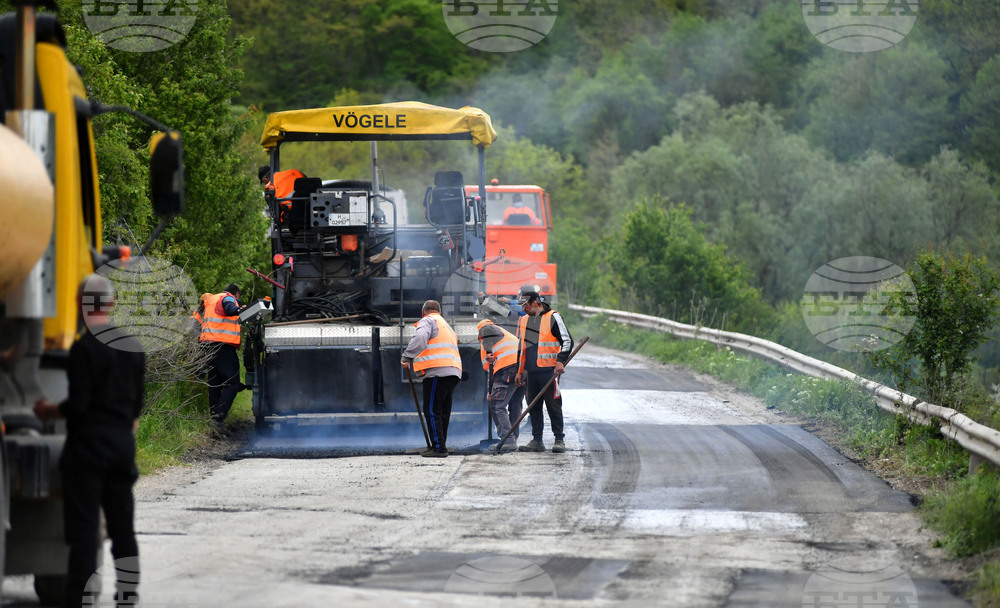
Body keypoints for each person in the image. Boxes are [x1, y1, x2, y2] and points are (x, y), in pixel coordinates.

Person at [34, 274, 145, 607]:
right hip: (122, 446)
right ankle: (127, 597)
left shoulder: (84, 348)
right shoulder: (133, 347)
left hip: (88, 450)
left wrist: (49, 410)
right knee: (123, 529)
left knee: (84, 535)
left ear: (80, 305)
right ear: (110, 304)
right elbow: (136, 408)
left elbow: (77, 406)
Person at [401, 300, 462, 457]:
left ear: (423, 312)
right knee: (442, 411)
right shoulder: (446, 325)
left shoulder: (428, 320)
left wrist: (407, 356)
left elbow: (421, 337)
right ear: (439, 312)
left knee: (432, 410)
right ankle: (440, 444)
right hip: (453, 371)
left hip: (437, 371)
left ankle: (438, 448)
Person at [515, 291, 573, 453]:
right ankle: (537, 440)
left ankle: (559, 440)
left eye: (525, 305)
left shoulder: (553, 317)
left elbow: (567, 340)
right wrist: (520, 371)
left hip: (549, 371)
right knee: (533, 406)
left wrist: (560, 360)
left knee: (553, 405)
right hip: (532, 372)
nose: (523, 309)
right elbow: (521, 348)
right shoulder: (524, 320)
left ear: (535, 302)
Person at [477, 319, 524, 451]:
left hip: (507, 370)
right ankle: (512, 438)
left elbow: (488, 366)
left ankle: (508, 440)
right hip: (522, 370)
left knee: (497, 406)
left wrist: (490, 390)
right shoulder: (506, 334)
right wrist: (491, 389)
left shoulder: (485, 334)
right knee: (515, 406)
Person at [200, 283, 242, 431]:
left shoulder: (212, 299)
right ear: (236, 293)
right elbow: (230, 308)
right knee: (233, 383)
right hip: (222, 346)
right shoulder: (227, 298)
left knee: (215, 383)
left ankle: (214, 419)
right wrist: (238, 309)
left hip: (208, 345)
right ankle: (219, 418)